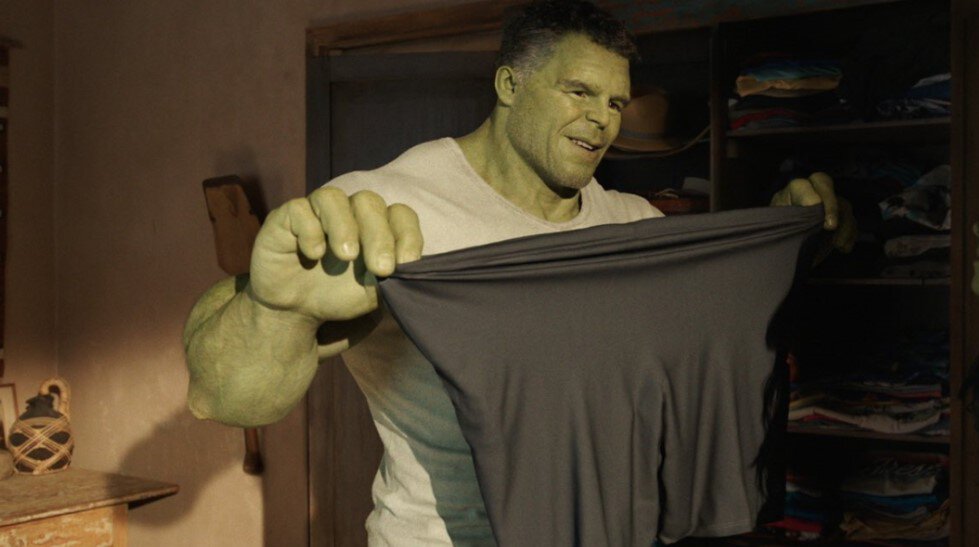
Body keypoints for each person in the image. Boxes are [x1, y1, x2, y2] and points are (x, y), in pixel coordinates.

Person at [184, 1, 855, 544]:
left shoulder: (633, 224)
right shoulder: (385, 209)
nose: (601, 119)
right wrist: (279, 312)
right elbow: (229, 400)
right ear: (510, 85)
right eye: (579, 91)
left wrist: (793, 238)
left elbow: (714, 328)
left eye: (615, 103)